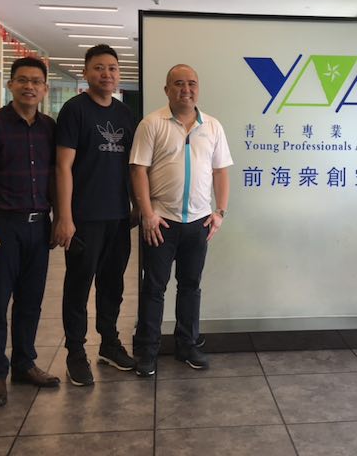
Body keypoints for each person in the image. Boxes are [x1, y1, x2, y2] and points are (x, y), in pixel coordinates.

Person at [0, 56, 60, 408]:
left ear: (45, 89)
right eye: (22, 80)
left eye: (36, 81)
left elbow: (56, 176)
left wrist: (60, 217)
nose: (29, 87)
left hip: (39, 226)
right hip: (1, 226)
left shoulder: (49, 128)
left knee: (31, 301)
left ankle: (24, 364)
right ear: (10, 84)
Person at [130, 64, 232, 376]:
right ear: (167, 90)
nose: (185, 89)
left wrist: (220, 212)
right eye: (178, 84)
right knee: (154, 288)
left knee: (190, 286)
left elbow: (220, 171)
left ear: (198, 88)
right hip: (161, 222)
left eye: (191, 84)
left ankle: (187, 345)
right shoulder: (152, 124)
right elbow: (138, 170)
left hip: (199, 223)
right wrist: (147, 214)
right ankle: (147, 351)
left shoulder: (212, 126)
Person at [53, 44, 136, 386]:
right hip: (84, 217)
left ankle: (109, 343)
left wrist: (137, 206)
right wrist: (65, 216)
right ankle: (75, 351)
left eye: (112, 68)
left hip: (118, 216)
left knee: (112, 284)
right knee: (78, 285)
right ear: (86, 72)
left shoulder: (125, 115)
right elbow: (63, 166)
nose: (107, 74)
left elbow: (134, 167)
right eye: (99, 68)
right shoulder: (75, 110)